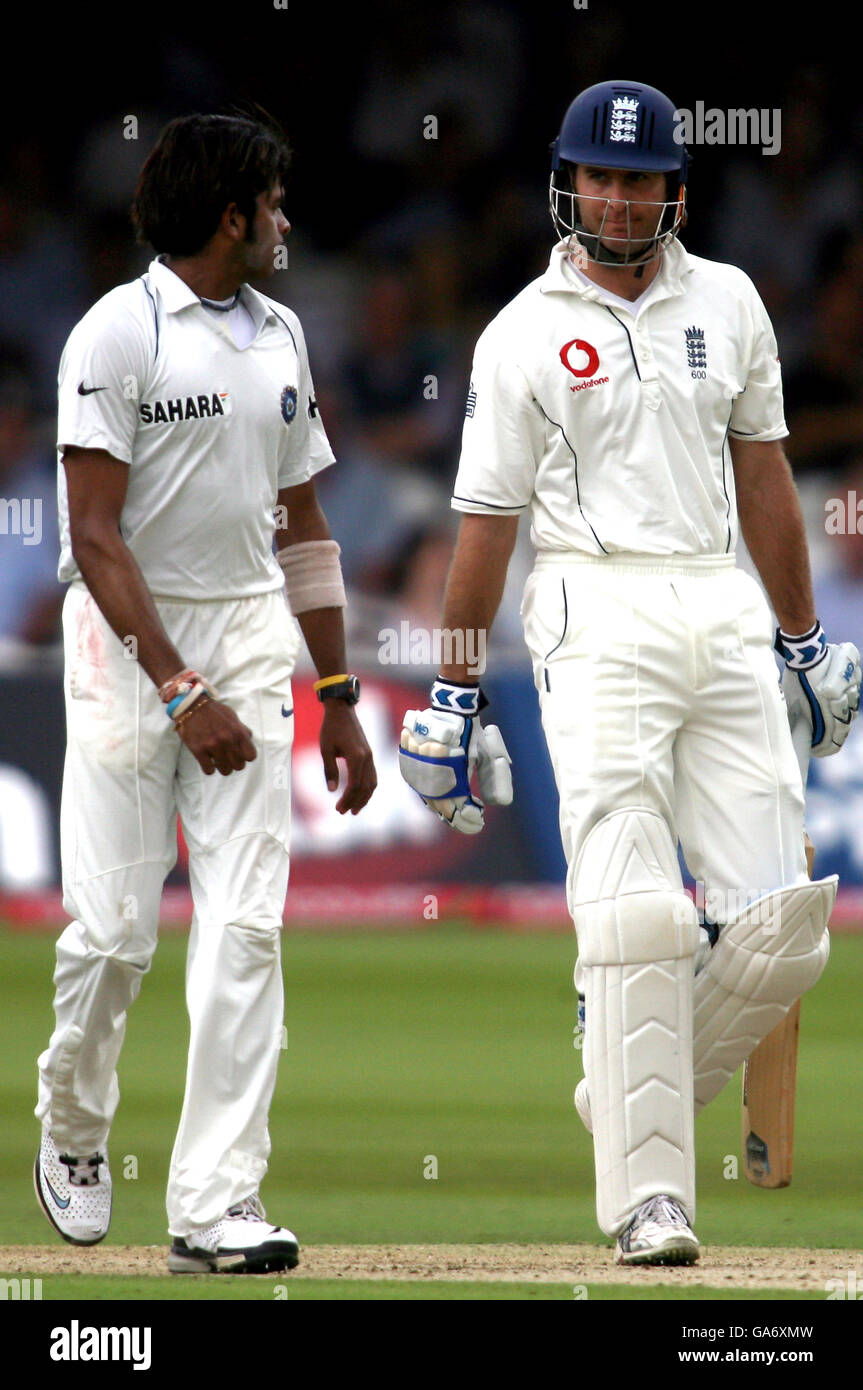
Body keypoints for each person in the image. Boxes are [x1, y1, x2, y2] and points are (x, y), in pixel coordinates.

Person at [399, 80, 861, 1266]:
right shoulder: (514, 334)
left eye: (637, 179)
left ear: (672, 189)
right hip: (587, 607)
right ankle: (650, 1201)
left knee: (784, 930)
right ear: (565, 183)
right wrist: (453, 689)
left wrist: (801, 639)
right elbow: (484, 529)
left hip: (718, 598)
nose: (614, 198)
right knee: (636, 918)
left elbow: (763, 481)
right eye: (595, 177)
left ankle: (619, 1078)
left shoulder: (731, 302)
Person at [33, 112, 376, 1274]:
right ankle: (74, 1129)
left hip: (244, 637)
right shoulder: (114, 334)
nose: (285, 224)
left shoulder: (282, 335)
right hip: (131, 643)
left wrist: (336, 690)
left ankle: (216, 1203)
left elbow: (304, 527)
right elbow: (91, 534)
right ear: (232, 215)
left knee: (245, 929)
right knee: (117, 936)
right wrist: (182, 689)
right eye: (272, 205)